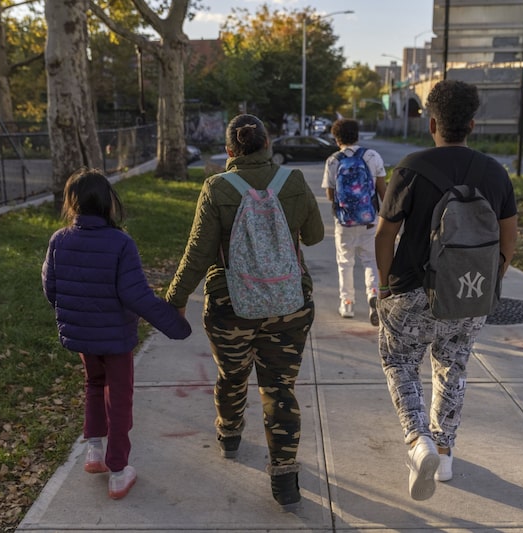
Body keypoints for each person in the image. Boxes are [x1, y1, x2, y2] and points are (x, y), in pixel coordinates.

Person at [164, 114, 324, 509]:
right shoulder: (294, 182)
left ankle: (230, 434)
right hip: (289, 304)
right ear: (268, 144)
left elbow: (198, 254)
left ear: (230, 151)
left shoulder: (216, 187)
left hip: (230, 305)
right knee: (279, 387)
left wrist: (174, 300)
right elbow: (317, 236)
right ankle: (285, 477)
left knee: (232, 375)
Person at [374, 80, 518, 500]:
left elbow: (384, 236)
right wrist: (492, 281)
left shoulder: (410, 168)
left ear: (431, 122)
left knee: (400, 361)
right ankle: (445, 455)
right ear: (472, 124)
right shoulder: (495, 172)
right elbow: (509, 238)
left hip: (411, 293)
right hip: (469, 293)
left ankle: (417, 441)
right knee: (453, 367)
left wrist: (384, 286)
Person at [42, 168, 192, 500]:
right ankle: (119, 469)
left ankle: (94, 451)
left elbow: (50, 288)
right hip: (116, 339)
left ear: (72, 203)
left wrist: (74, 310)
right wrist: (177, 325)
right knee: (120, 398)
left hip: (82, 337)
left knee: (94, 384)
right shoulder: (121, 242)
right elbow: (136, 295)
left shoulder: (59, 239)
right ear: (109, 202)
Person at [321, 118, 387, 325]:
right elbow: (383, 191)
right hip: (369, 220)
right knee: (370, 260)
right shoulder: (372, 156)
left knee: (345, 263)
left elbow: (331, 196)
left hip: (344, 223)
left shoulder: (333, 160)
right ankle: (373, 295)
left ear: (336, 138)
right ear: (357, 134)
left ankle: (347, 303)